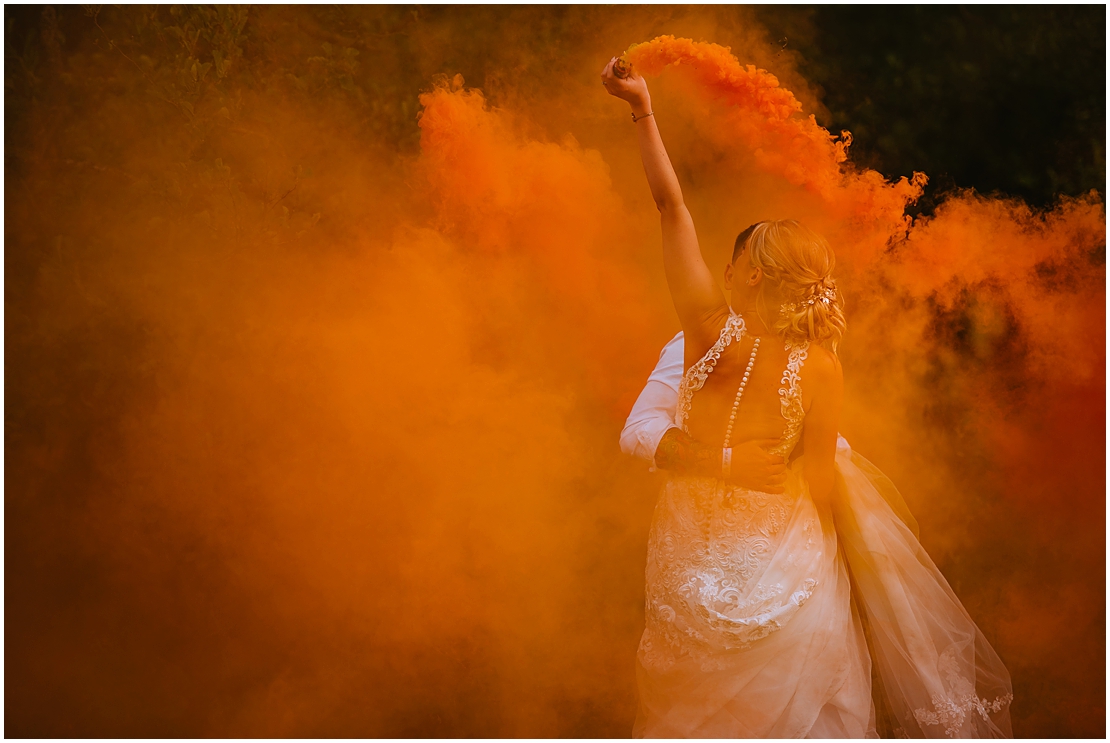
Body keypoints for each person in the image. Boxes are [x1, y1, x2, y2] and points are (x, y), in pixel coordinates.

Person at [602, 57, 1014, 738]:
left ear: (747, 275)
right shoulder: (822, 368)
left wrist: (641, 108)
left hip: (689, 552)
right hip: (782, 560)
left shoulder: (703, 332)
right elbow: (821, 483)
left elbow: (670, 205)